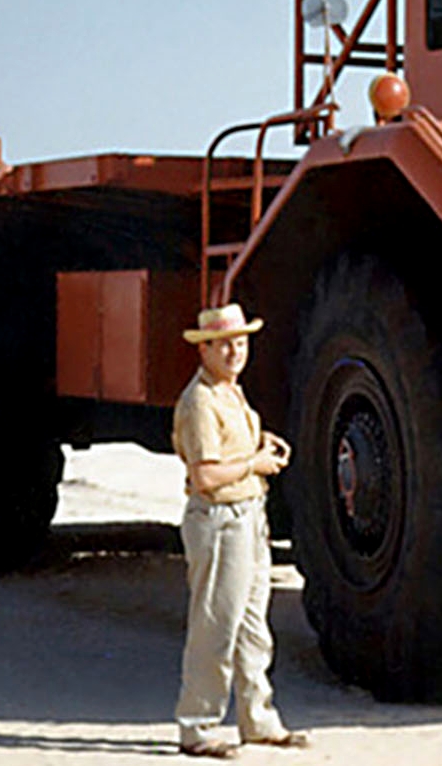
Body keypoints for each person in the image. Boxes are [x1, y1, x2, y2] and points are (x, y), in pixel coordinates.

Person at [171, 303, 308, 758]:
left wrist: (258, 443)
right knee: (216, 626)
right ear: (204, 349)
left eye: (242, 342)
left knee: (252, 628)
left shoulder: (230, 392)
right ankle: (198, 725)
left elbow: (226, 454)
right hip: (219, 523)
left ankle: (258, 719)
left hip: (247, 518)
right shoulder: (200, 401)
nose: (235, 351)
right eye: (225, 344)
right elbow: (206, 476)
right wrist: (255, 463)